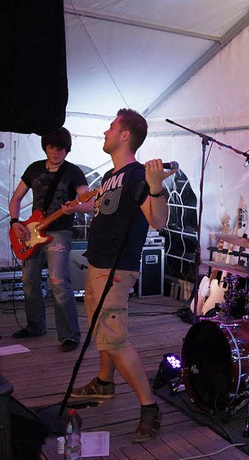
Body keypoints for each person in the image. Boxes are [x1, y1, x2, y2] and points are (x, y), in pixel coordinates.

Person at [69, 108, 177, 443]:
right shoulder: (110, 178)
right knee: (102, 330)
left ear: (125, 135)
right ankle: (103, 383)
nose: (106, 131)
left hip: (116, 269)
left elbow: (157, 220)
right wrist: (82, 205)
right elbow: (106, 207)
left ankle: (149, 407)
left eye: (112, 127)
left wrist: (157, 188)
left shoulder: (136, 176)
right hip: (98, 263)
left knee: (114, 339)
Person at [9, 127, 94, 352]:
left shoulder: (73, 172)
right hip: (30, 232)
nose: (57, 152)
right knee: (29, 281)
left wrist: (73, 209)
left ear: (67, 150)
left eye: (62, 148)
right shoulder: (34, 169)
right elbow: (16, 197)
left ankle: (69, 336)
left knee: (58, 282)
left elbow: (88, 202)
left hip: (59, 232)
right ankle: (35, 326)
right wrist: (15, 222)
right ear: (45, 147)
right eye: (52, 147)